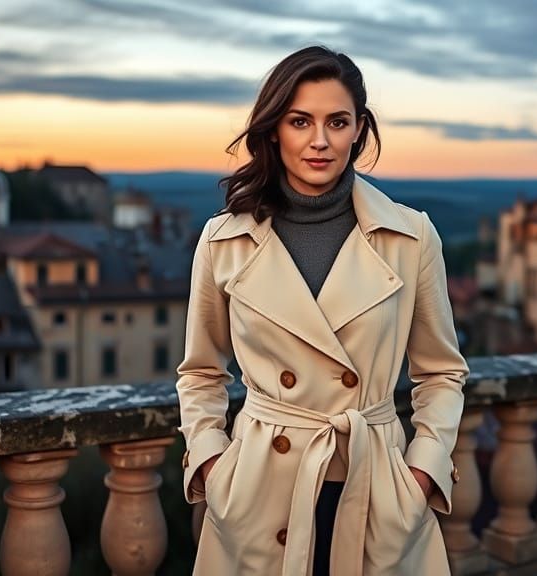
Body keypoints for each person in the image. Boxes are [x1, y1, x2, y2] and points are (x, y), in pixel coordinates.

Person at [176, 45, 468, 575]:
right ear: (273, 131)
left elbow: (441, 373)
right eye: (299, 121)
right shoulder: (224, 240)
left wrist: (422, 473)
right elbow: (200, 373)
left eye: (337, 121)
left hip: (375, 487)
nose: (319, 140)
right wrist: (215, 466)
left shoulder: (411, 236)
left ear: (359, 129)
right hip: (259, 491)